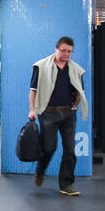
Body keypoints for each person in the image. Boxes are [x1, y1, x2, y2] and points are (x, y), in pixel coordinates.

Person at [29, 35, 89, 196]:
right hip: (48, 113)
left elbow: (79, 91)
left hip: (68, 114)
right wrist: (32, 110)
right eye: (63, 50)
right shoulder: (41, 66)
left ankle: (66, 184)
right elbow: (33, 90)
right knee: (49, 148)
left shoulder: (75, 69)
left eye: (70, 51)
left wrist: (75, 106)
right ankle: (40, 170)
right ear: (56, 49)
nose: (66, 54)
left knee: (70, 150)